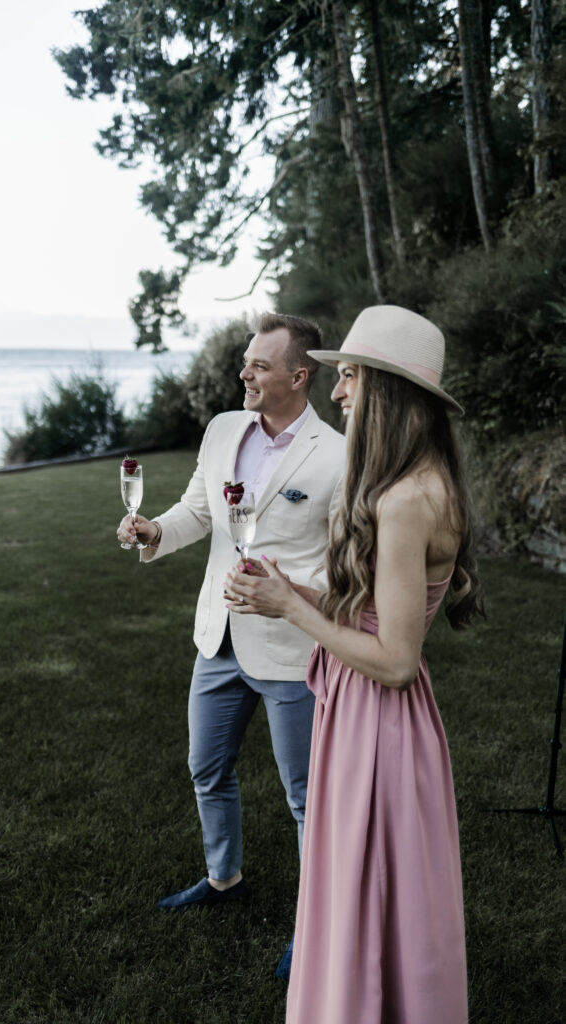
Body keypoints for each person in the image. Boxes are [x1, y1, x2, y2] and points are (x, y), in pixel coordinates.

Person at [225, 305, 483, 1023]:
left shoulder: (405, 499)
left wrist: (291, 610)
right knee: (374, 897)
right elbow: (378, 614)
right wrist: (299, 590)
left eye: (348, 377)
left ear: (386, 389)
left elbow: (397, 660)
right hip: (367, 714)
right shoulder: (419, 479)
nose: (338, 393)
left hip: (378, 720)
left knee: (363, 892)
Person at [116, 313, 346, 940]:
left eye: (259, 365)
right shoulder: (222, 430)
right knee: (207, 767)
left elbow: (350, 568)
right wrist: (155, 530)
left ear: (299, 376)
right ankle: (224, 878)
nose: (243, 372)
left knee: (306, 799)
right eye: (246, 360)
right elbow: (198, 508)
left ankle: (317, 932)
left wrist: (295, 594)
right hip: (217, 639)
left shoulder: (339, 456)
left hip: (292, 649)